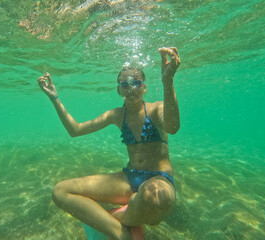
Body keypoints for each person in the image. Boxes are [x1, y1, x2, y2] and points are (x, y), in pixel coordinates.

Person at [38, 47, 181, 240]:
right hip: (129, 178)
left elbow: (172, 127)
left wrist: (168, 81)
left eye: (137, 83)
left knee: (155, 199)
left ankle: (121, 215)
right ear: (118, 89)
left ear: (145, 87)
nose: (131, 89)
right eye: (125, 84)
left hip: (159, 179)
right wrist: (55, 98)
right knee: (61, 191)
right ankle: (123, 234)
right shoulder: (116, 115)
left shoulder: (157, 109)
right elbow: (76, 130)